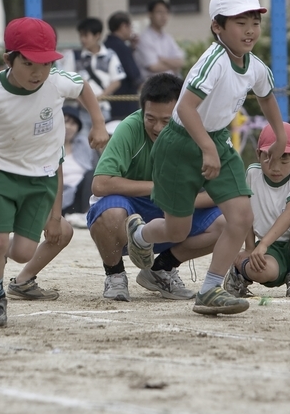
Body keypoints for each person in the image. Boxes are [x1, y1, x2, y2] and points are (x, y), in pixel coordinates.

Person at [126, 0, 286, 316]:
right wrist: (206, 149)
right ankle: (140, 234)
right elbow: (185, 108)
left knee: (242, 217)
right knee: (177, 230)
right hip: (179, 144)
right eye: (240, 23)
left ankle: (210, 289)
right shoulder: (213, 62)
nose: (250, 30)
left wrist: (280, 137)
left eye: (255, 23)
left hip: (216, 140)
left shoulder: (255, 66)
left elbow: (267, 97)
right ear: (217, 26)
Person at [0, 17, 109, 327]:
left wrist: (98, 124)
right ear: (9, 59)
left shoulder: (56, 81)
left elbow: (83, 87)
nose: (38, 73)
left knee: (21, 252)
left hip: (40, 179)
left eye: (46, 64)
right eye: (29, 63)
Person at [88, 73, 224, 302]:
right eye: (150, 118)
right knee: (110, 213)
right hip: (133, 206)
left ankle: (161, 269)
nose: (158, 127)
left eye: (166, 120)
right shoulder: (130, 127)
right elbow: (100, 184)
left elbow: (220, 192)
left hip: (174, 206)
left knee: (227, 222)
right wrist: (160, 188)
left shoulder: (201, 132)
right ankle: (115, 274)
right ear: (142, 110)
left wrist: (178, 200)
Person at [223, 123, 290, 299]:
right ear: (258, 154)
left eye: (284, 159)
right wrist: (250, 248)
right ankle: (238, 271)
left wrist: (262, 244)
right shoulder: (252, 173)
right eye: (268, 157)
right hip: (271, 249)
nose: (276, 167)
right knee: (262, 271)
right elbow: (246, 212)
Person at [61, 17, 125, 123]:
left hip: (103, 107)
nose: (82, 39)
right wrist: (79, 99)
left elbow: (117, 80)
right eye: (81, 35)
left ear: (97, 35)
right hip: (79, 110)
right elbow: (66, 80)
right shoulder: (74, 56)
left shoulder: (110, 55)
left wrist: (102, 95)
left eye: (86, 35)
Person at [133, 0, 185, 82]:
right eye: (159, 12)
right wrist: (173, 64)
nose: (163, 16)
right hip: (153, 84)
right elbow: (153, 67)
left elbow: (180, 62)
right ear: (150, 14)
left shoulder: (168, 38)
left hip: (171, 83)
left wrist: (164, 60)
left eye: (166, 12)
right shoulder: (144, 38)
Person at [59, 105, 97, 216]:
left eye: (73, 124)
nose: (68, 127)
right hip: (62, 195)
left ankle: (88, 214)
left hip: (83, 192)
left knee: (92, 175)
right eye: (65, 122)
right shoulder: (49, 148)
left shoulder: (83, 145)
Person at [104, 12, 142, 120]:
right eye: (130, 27)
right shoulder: (122, 47)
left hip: (108, 98)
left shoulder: (105, 45)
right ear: (123, 26)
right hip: (125, 99)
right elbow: (133, 74)